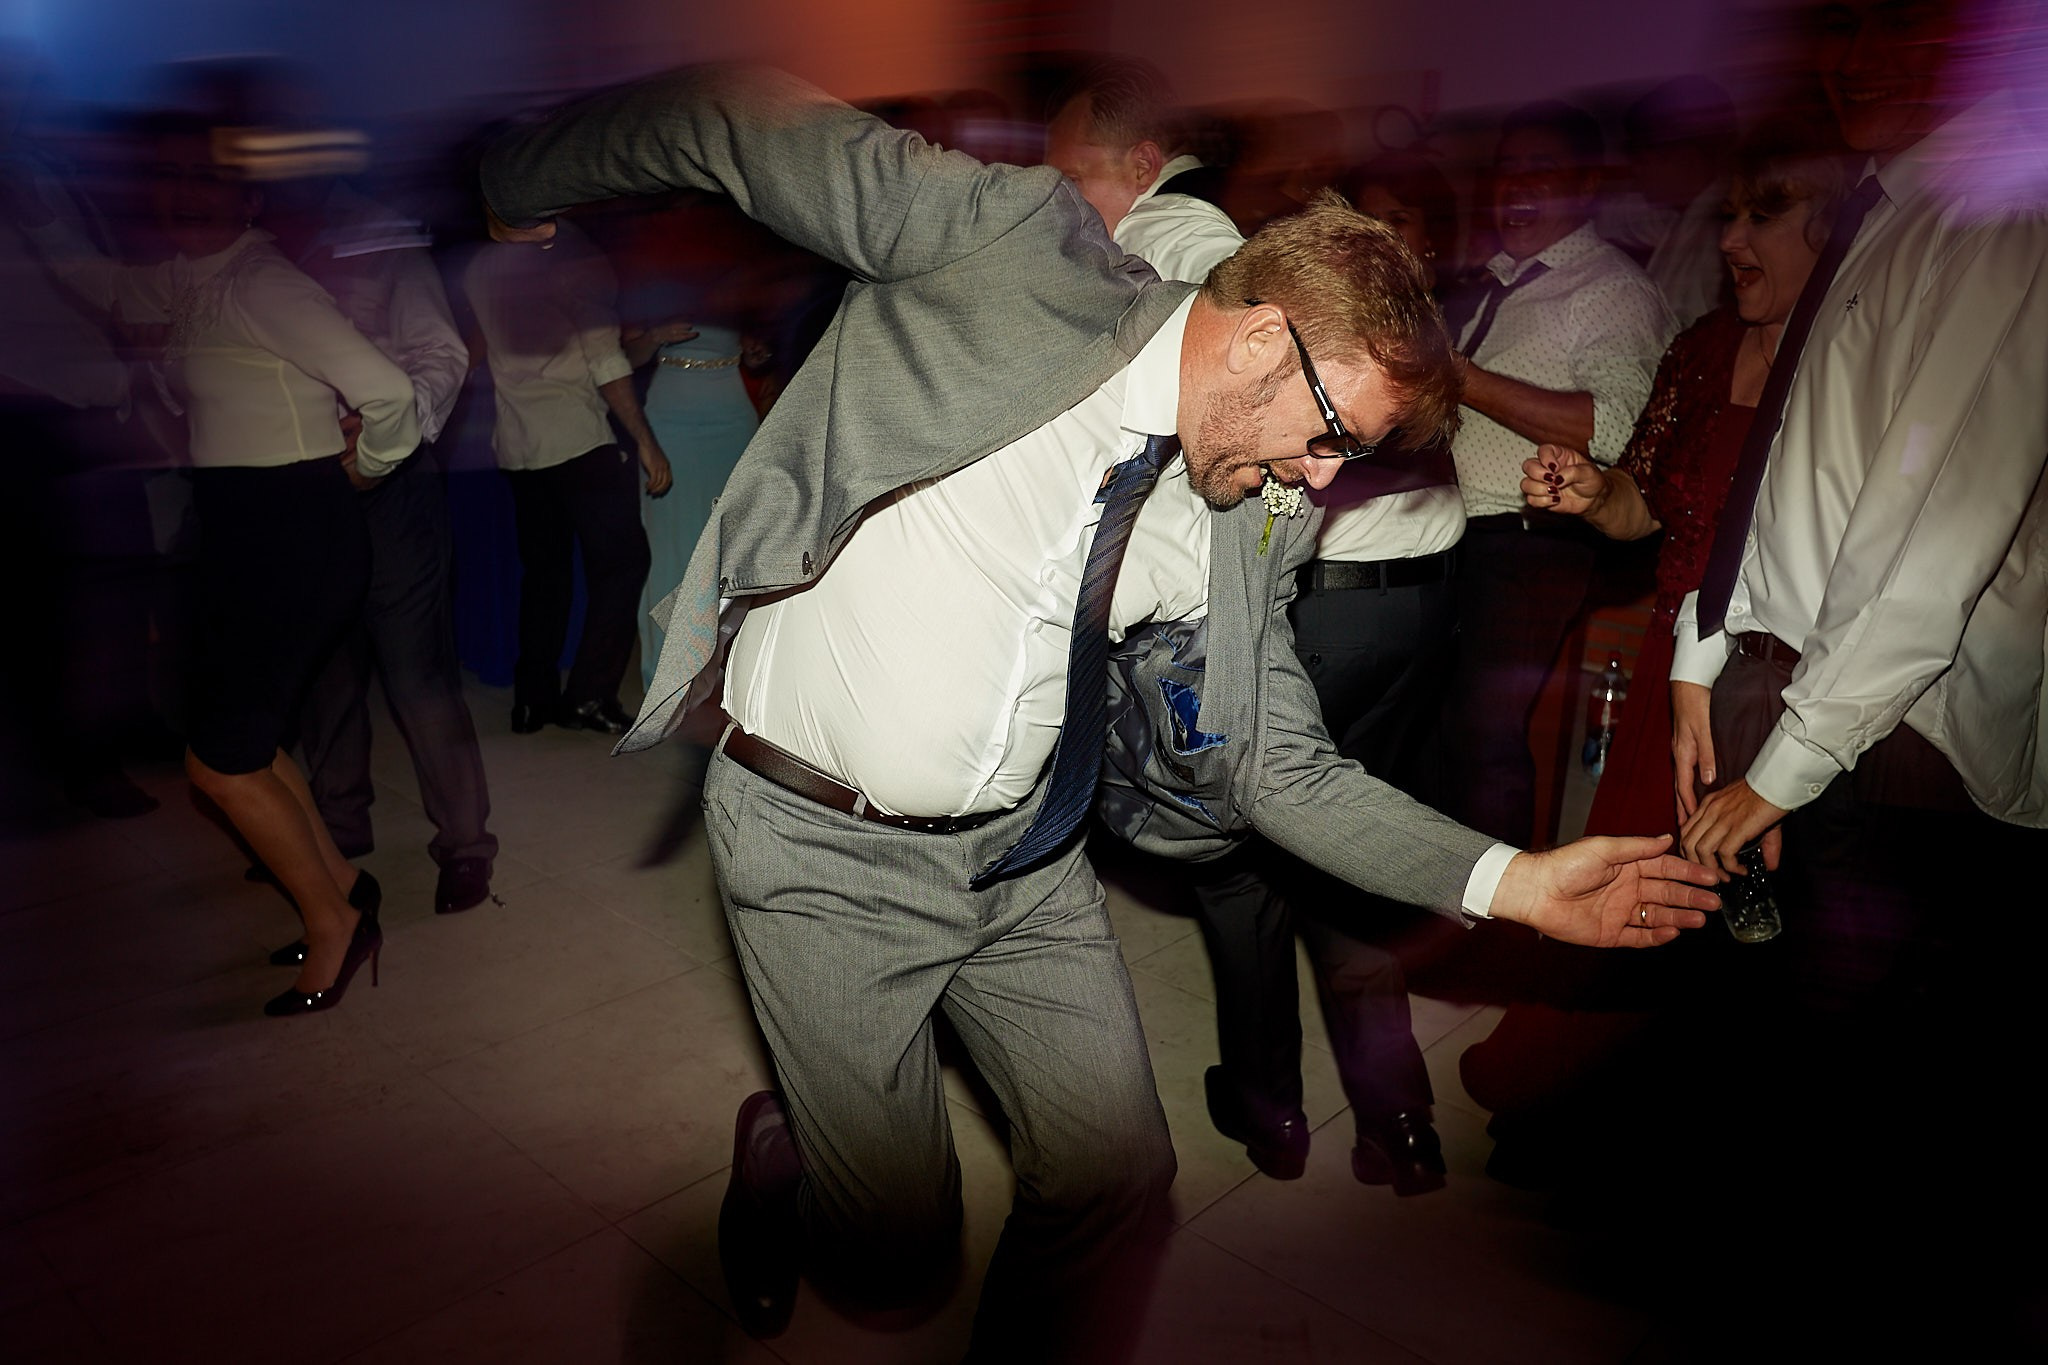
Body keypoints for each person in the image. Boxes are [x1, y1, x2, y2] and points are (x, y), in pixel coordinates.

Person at [479, 65, 1720, 1362]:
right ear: (1256, 341)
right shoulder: (1009, 249)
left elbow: (1280, 766)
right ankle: (783, 1143)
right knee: (898, 1253)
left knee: (1120, 1184)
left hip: (1026, 862)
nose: (1319, 481)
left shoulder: (1248, 515)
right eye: (1330, 438)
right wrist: (520, 184)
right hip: (821, 842)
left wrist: (1522, 884)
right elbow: (735, 117)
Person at [1052, 87, 1471, 1193]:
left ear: (1136, 159)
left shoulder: (1174, 239)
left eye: (1074, 177)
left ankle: (1269, 1109)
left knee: (1246, 859)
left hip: (1314, 599)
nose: (1062, 203)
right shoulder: (1258, 266)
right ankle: (1399, 1121)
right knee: (1332, 849)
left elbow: (1238, 442)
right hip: (1411, 597)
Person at [1457, 120, 1849, 1185]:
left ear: (1833, 230)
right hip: (1675, 689)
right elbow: (1649, 508)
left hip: (1792, 693)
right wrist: (1593, 494)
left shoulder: (1850, 362)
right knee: (1642, 903)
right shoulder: (1703, 348)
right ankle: (1601, 1134)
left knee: (1758, 940)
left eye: (1759, 214)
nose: (1728, 237)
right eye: (1727, 213)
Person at [13, 114, 417, 1015]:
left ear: (246, 197)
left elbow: (388, 391)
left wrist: (364, 467)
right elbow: (93, 278)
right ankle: (342, 887)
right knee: (251, 744)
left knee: (221, 766)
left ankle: (334, 924)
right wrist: (37, 205)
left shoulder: (262, 283)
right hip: (244, 529)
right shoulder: (184, 279)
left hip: (293, 534)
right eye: (171, 175)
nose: (183, 191)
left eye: (205, 177)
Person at [1439, 100, 1675, 847]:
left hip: (1529, 541)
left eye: (1539, 168)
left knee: (1485, 742)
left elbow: (1617, 426)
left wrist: (1463, 379)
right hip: (1463, 541)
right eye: (1506, 169)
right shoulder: (1498, 281)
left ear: (1585, 185)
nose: (1515, 185)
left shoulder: (1612, 290)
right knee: (1449, 738)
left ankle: (1500, 932)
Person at [264, 170, 498, 919]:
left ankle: (464, 843)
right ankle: (338, 829)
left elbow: (442, 353)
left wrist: (380, 438)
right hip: (297, 481)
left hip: (390, 480)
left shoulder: (382, 241)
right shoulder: (253, 256)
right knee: (324, 665)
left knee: (417, 669)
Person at [463, 217, 667, 736]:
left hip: (518, 443)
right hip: (577, 438)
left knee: (545, 574)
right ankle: (590, 696)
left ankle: (532, 701)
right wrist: (644, 439)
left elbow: (481, 349)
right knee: (624, 561)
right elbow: (604, 359)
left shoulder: (482, 264)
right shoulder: (575, 260)